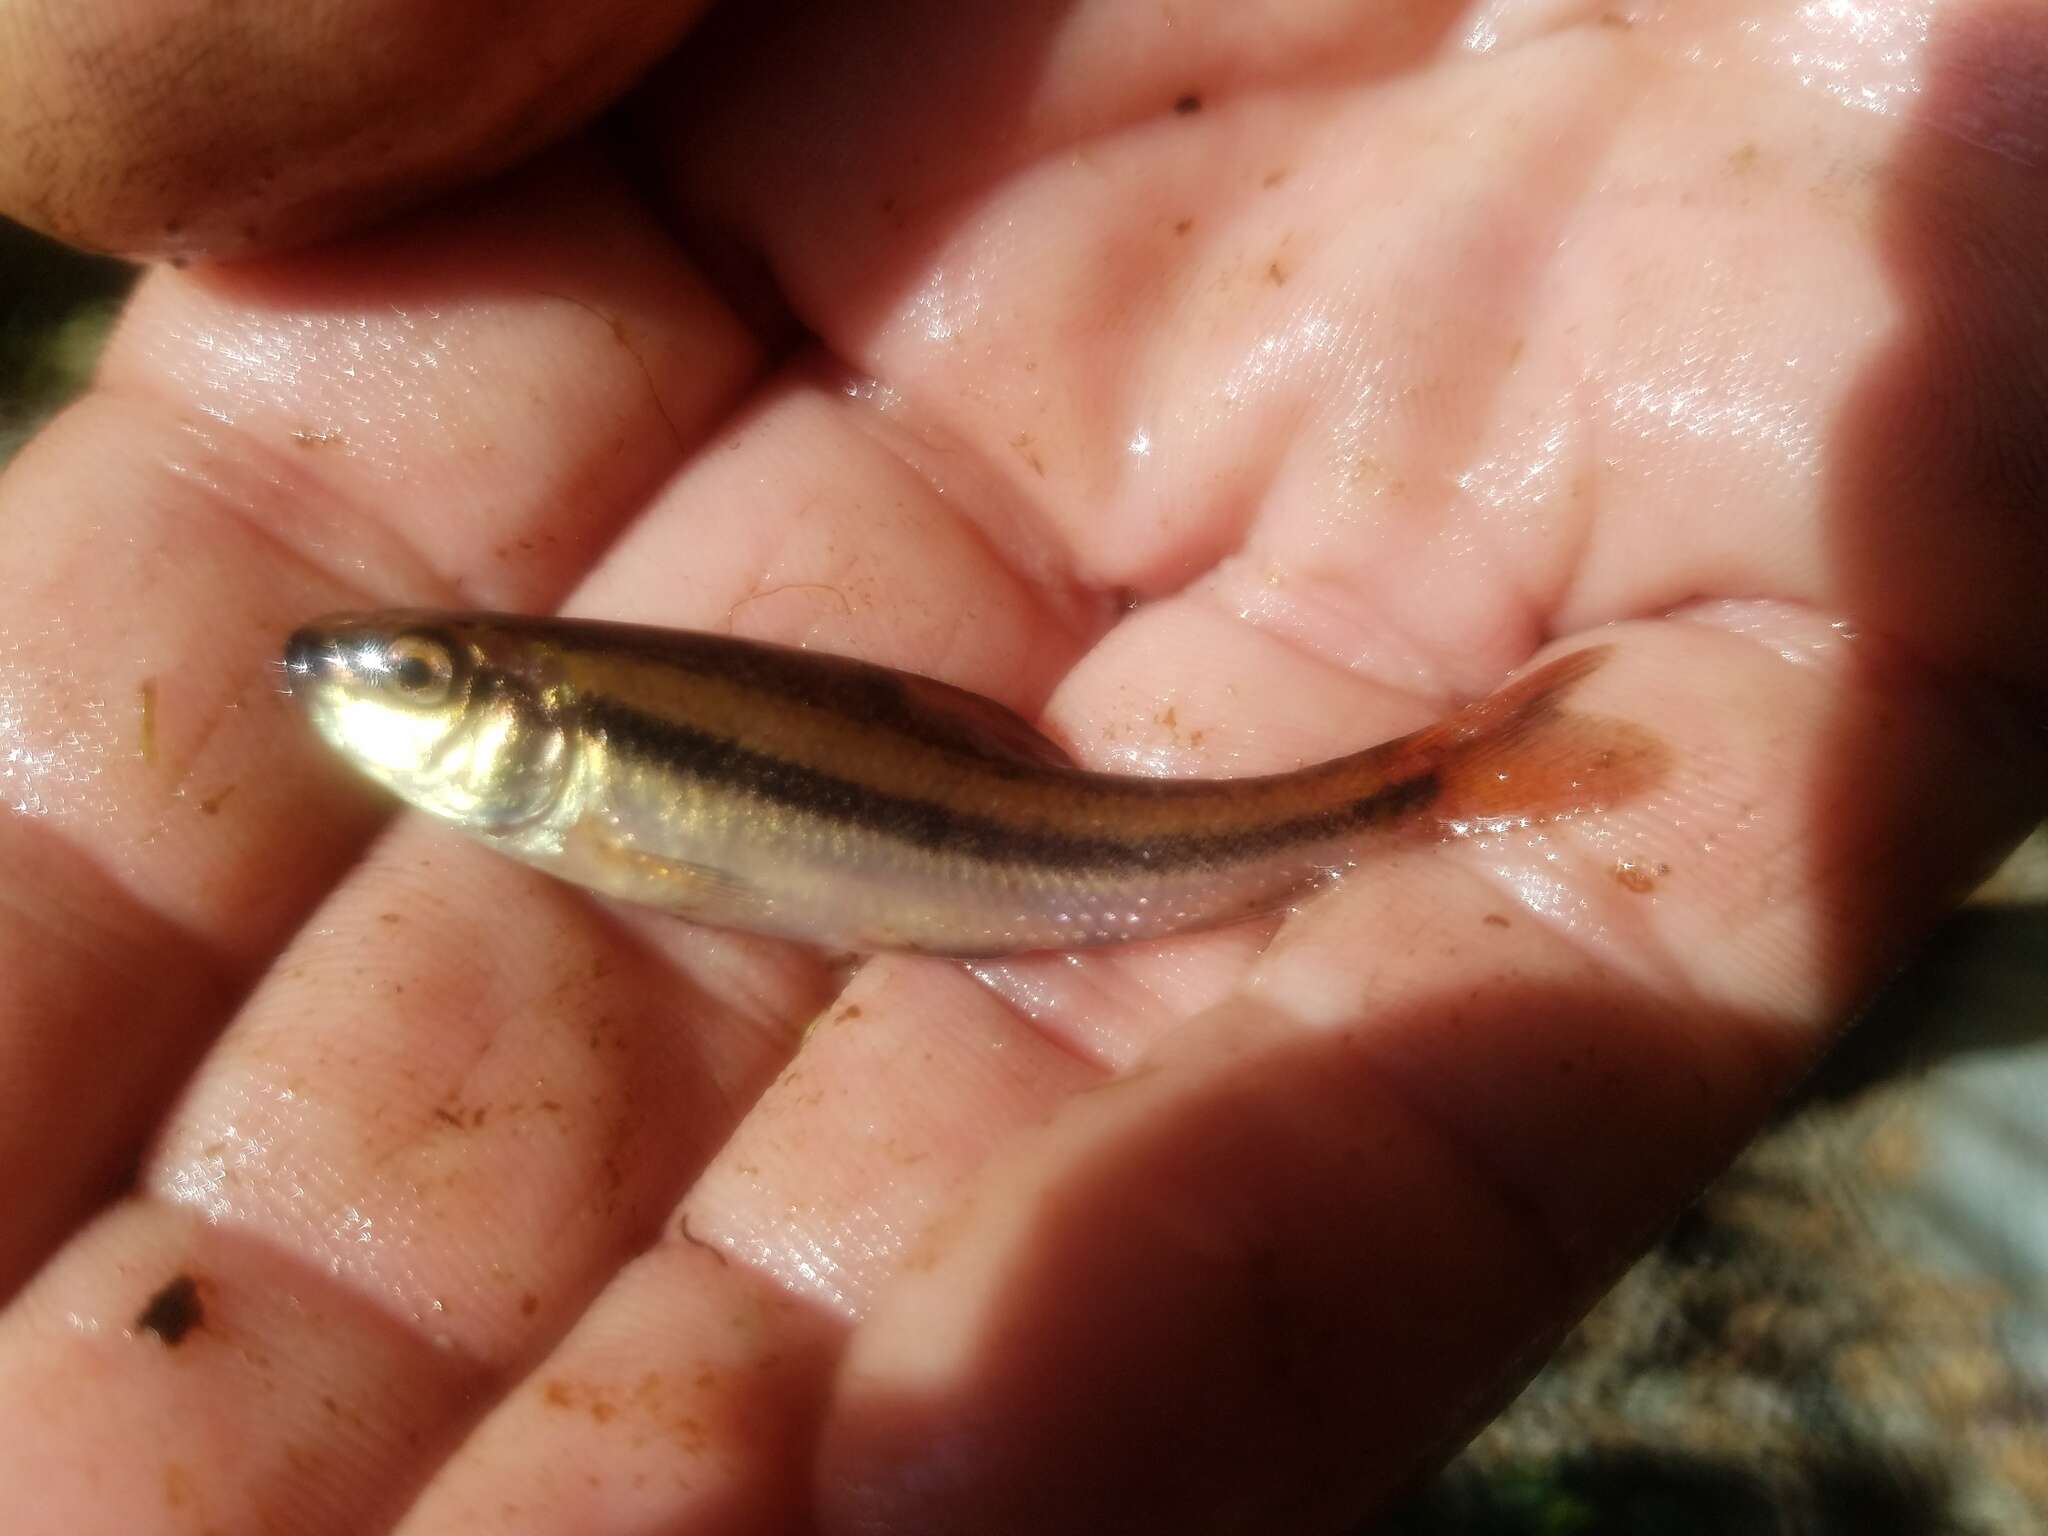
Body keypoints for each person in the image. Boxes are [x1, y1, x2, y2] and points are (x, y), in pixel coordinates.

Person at [0, 2, 2042, 1530]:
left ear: (518, 714)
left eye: (414, 678)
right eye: (403, 676)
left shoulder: (571, 750)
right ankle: (1415, 793)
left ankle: (1420, 789)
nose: (353, 688)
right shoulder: (553, 741)